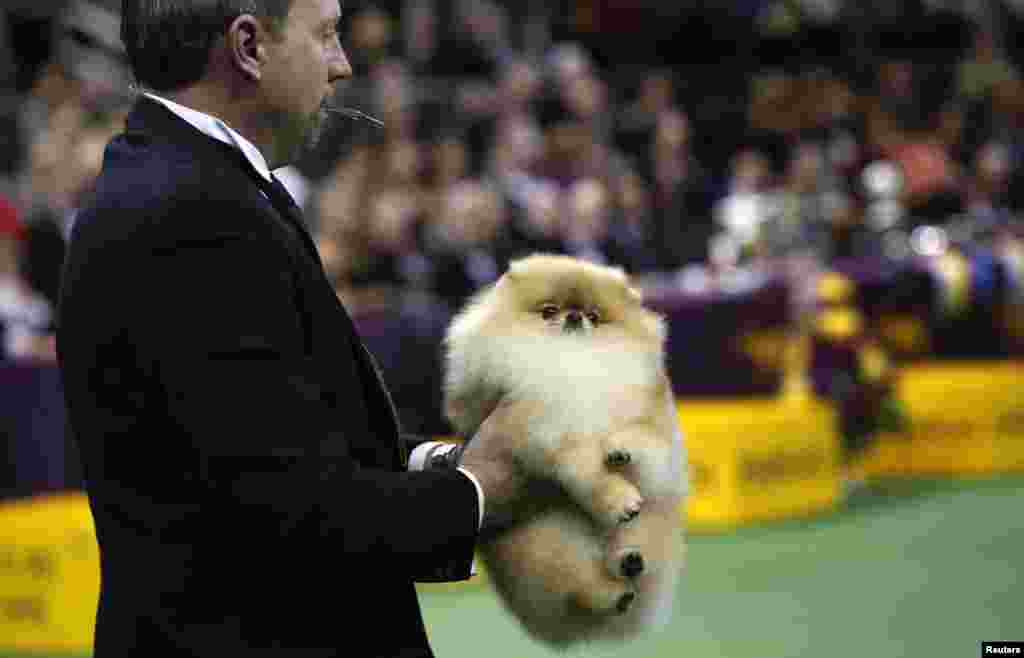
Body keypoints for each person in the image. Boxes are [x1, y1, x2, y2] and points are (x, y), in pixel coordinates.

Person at [56, 1, 532, 655]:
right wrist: (482, 491)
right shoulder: (186, 214)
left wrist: (449, 460)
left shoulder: (199, 184)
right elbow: (295, 509)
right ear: (249, 45)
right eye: (328, 35)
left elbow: (292, 441)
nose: (342, 66)